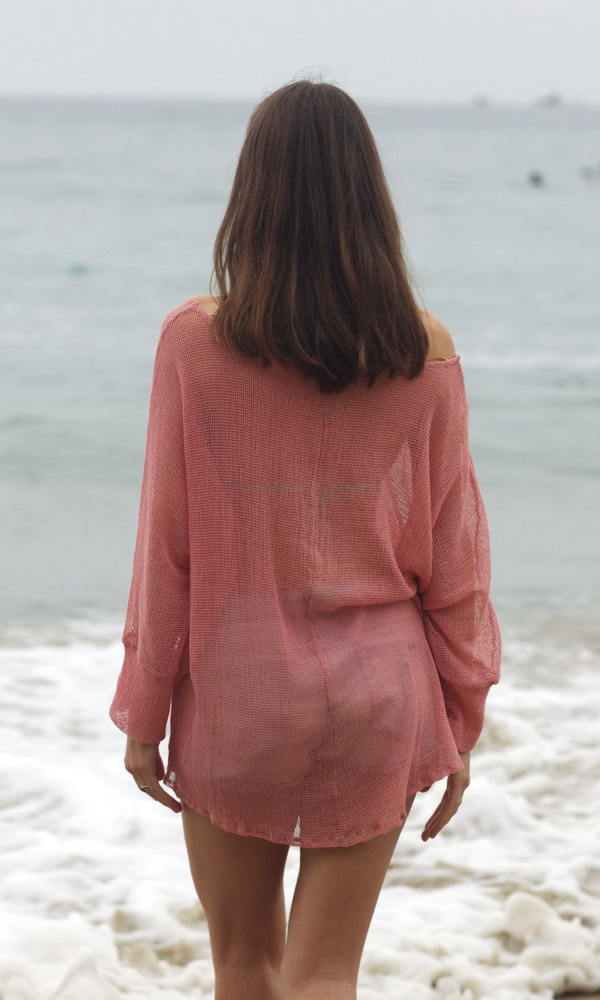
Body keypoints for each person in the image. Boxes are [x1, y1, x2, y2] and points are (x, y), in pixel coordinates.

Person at [109, 78, 502, 1000]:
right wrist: (461, 718)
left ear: (253, 194)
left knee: (246, 964)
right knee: (328, 975)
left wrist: (144, 712)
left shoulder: (195, 342)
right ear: (370, 197)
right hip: (381, 694)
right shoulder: (424, 348)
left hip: (241, 691)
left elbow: (168, 550)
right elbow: (455, 562)